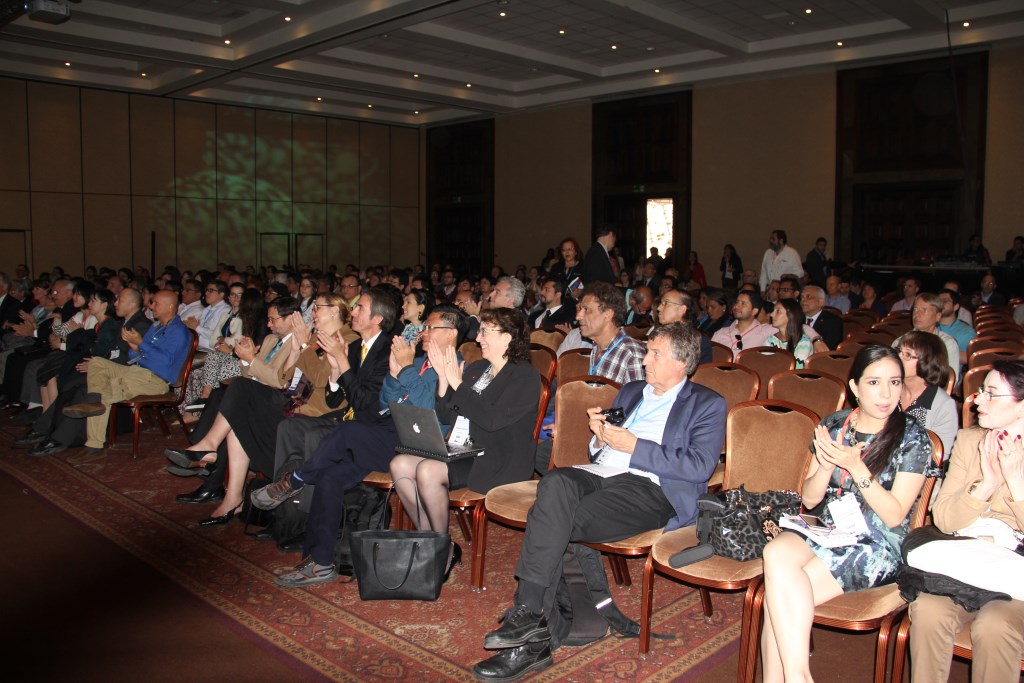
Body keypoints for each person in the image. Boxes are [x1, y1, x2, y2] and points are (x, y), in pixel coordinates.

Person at [471, 323, 727, 681]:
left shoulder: (706, 403)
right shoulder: (633, 391)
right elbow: (599, 452)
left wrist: (635, 446)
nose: (645, 360)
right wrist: (599, 436)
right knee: (555, 481)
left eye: (655, 354)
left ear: (681, 362)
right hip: (601, 472)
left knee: (551, 519)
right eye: (647, 351)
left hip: (650, 488)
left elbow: (699, 466)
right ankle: (531, 620)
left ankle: (530, 633)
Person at [254, 305, 466, 587]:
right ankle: (320, 562)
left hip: (415, 444)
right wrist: (395, 375)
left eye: (430, 327)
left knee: (348, 431)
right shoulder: (417, 361)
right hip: (389, 431)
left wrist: (404, 371)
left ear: (450, 333)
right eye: (424, 327)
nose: (423, 333)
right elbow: (385, 402)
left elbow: (431, 412)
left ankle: (296, 479)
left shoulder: (456, 366)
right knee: (330, 476)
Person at [759, 345, 934, 682]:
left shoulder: (912, 436)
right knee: (776, 552)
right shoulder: (834, 424)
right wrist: (826, 466)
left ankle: (793, 678)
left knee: (777, 597)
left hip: (878, 542)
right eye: (874, 383)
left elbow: (895, 516)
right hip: (829, 528)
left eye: (895, 382)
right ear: (855, 387)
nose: (886, 394)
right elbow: (810, 499)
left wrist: (856, 467)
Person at [162, 292, 358, 524]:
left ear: (334, 310)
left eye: (317, 308)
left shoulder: (348, 339)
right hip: (293, 401)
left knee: (241, 391)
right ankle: (231, 494)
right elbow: (288, 378)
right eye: (313, 308)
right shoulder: (314, 337)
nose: (312, 314)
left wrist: (304, 346)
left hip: (314, 414)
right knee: (237, 402)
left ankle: (211, 453)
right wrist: (296, 350)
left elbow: (321, 379)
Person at [908, 361, 1024, 683]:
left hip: (1016, 571)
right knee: (928, 611)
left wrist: (1015, 484)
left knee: (995, 626)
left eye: (991, 394)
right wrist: (985, 486)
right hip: (964, 559)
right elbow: (944, 519)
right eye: (981, 390)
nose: (976, 400)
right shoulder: (970, 441)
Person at [390, 307, 541, 535]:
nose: (477, 338)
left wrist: (457, 384)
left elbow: (492, 420)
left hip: (498, 458)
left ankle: (439, 544)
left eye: (485, 332)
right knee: (400, 465)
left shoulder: (524, 376)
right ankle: (428, 537)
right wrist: (444, 378)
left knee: (428, 470)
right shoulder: (479, 369)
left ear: (507, 337)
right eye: (479, 331)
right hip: (465, 450)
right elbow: (445, 416)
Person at [61, 289, 191, 464]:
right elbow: (133, 356)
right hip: (137, 371)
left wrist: (141, 344)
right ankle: (94, 400)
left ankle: (94, 446)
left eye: (156, 303)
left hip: (156, 380)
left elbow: (166, 361)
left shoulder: (178, 331)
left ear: (170, 306)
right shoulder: (156, 327)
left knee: (108, 389)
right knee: (96, 363)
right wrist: (136, 347)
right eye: (152, 302)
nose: (151, 306)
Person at [183, 284, 266, 409]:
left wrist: (228, 346)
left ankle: (208, 405)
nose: (236, 298)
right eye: (233, 294)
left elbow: (243, 345)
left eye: (240, 296)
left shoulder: (254, 320)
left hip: (244, 360)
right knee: (195, 369)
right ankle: (193, 406)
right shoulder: (230, 315)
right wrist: (223, 342)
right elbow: (214, 339)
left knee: (205, 370)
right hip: (227, 354)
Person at [897, 331, 957, 456]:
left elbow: (940, 455)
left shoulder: (943, 405)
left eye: (907, 354)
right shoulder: (889, 390)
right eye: (899, 351)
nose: (898, 357)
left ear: (927, 362)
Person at [711, 290, 776, 359]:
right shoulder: (721, 333)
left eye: (743, 303)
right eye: (737, 302)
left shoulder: (765, 331)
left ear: (754, 311)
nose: (736, 306)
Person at [766, 298, 826, 368]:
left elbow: (797, 370)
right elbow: (764, 364)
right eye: (773, 311)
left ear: (790, 315)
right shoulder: (771, 340)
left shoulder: (803, 343)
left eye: (778, 311)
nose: (772, 314)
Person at [800, 285, 844, 350]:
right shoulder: (797, 319)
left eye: (808, 297)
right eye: (802, 297)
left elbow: (830, 349)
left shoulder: (833, 321)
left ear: (821, 302)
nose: (803, 300)